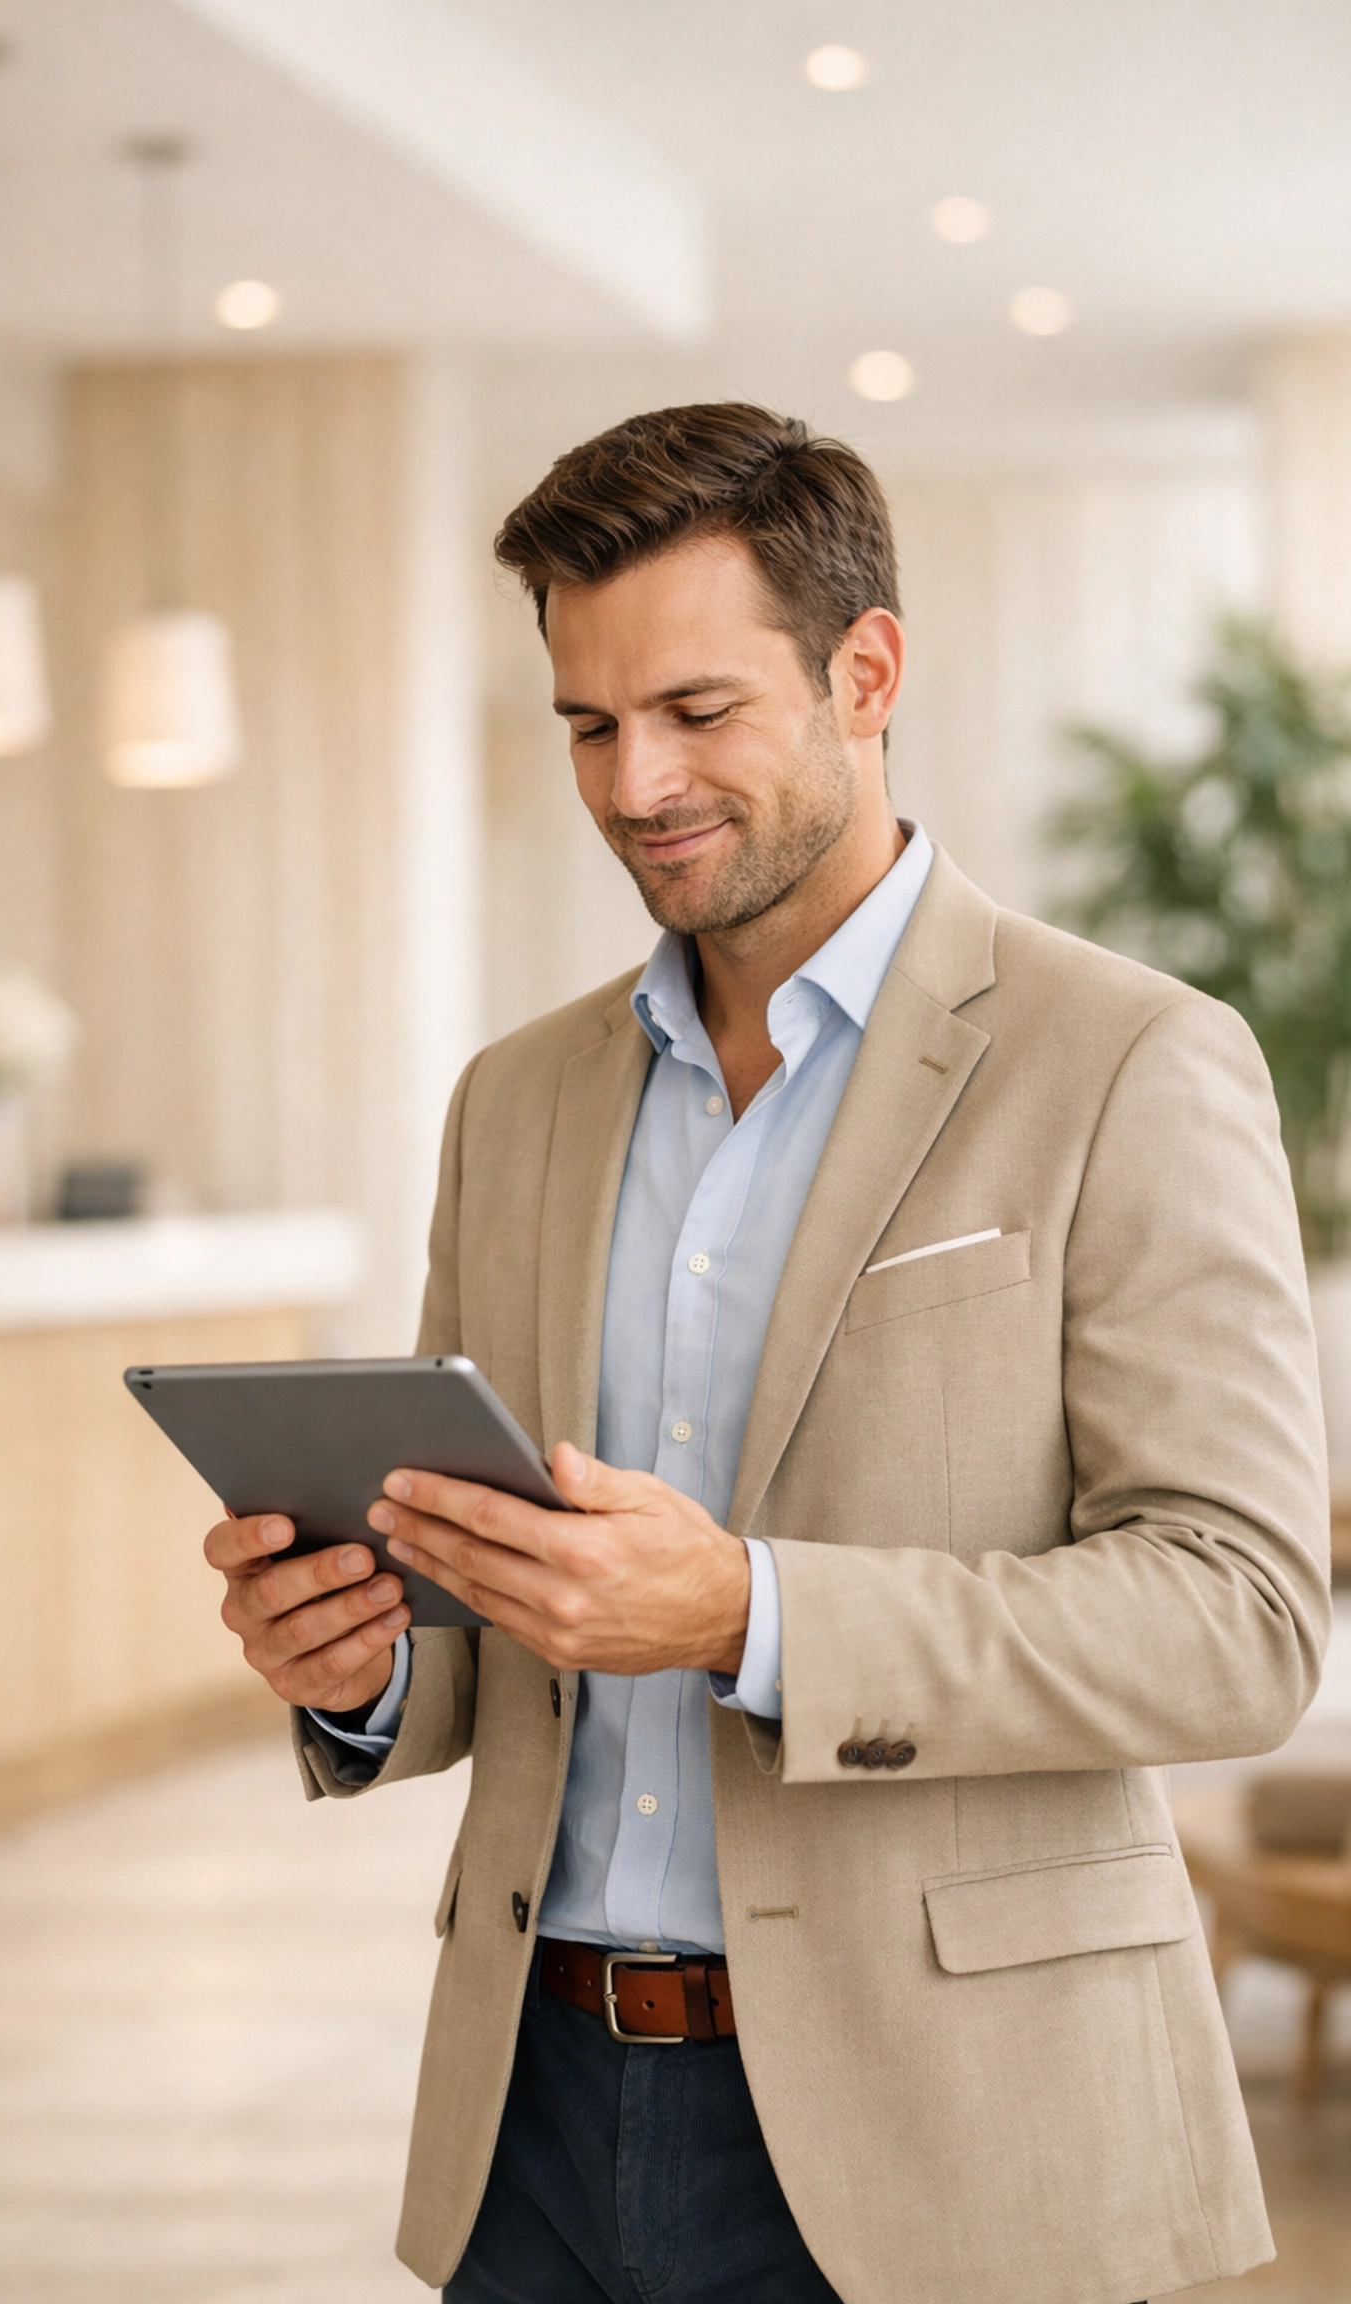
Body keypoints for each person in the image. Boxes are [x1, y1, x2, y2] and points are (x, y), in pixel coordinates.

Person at [204, 403, 1331, 2304]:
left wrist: (745, 1610)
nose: (634, 781)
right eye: (586, 723)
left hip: (952, 2132)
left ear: (864, 671)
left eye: (697, 712)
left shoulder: (1128, 1060)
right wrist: (362, 1663)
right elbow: (489, 1597)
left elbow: (1240, 1622)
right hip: (534, 2118)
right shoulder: (518, 1100)